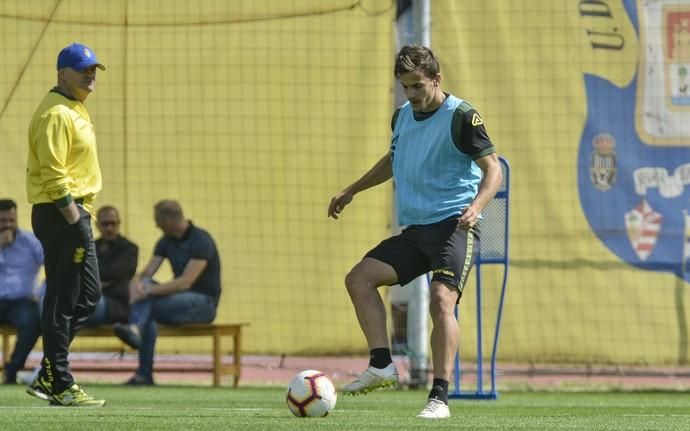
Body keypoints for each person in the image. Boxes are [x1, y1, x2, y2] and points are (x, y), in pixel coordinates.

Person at [328, 45, 502, 419]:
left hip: (454, 226)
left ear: (436, 80)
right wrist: (352, 189)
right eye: (405, 87)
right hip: (415, 230)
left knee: (441, 301)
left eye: (417, 86)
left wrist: (477, 207)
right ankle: (380, 365)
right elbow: (394, 159)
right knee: (359, 279)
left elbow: (493, 170)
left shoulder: (462, 116)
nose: (411, 95)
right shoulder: (402, 116)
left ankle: (439, 397)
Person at [25, 42, 107, 407]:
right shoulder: (56, 113)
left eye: (93, 69)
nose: (90, 74)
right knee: (63, 299)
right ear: (62, 73)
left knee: (88, 297)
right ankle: (58, 380)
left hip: (75, 213)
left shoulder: (74, 108)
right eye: (82, 68)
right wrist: (74, 219)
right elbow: (53, 172)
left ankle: (48, 370)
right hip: (62, 214)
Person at [113, 200, 221, 386]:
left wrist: (148, 291)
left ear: (168, 220)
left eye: (158, 220)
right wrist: (137, 285)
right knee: (147, 302)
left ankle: (139, 352)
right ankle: (142, 366)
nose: (156, 225)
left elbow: (185, 283)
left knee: (149, 305)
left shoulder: (201, 240)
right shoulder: (165, 241)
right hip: (176, 300)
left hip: (203, 303)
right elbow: (147, 273)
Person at [0, 199, 44, 385]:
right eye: (2, 221)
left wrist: (40, 292)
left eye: (11, 220)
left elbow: (53, 265)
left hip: (22, 301)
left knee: (33, 321)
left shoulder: (30, 241)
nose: (8, 225)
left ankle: (12, 370)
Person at [86, 206, 138, 326]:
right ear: (97, 225)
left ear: (119, 224)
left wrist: (90, 277)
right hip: (92, 299)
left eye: (113, 223)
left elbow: (116, 272)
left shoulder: (129, 248)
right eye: (105, 224)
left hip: (115, 305)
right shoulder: (90, 246)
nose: (109, 228)